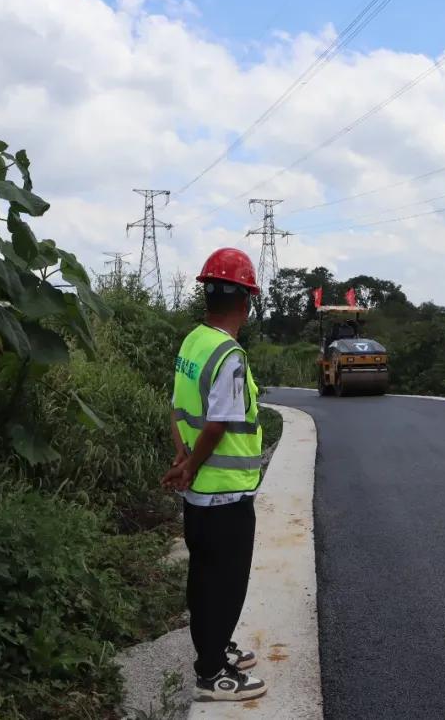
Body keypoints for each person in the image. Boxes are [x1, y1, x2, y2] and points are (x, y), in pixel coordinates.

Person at [161, 247, 268, 702]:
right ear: (246, 302)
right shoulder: (230, 355)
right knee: (224, 582)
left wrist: (184, 461)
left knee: (203, 576)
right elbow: (219, 423)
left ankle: (215, 646)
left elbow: (177, 409)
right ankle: (212, 673)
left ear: (207, 296)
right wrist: (194, 464)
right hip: (225, 494)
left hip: (200, 493)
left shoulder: (194, 341)